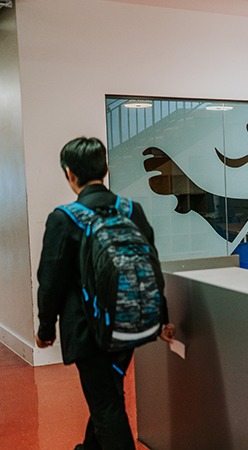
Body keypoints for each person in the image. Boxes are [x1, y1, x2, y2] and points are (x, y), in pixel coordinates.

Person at [36, 137, 175, 450]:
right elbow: (151, 266)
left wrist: (46, 328)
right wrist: (162, 317)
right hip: (131, 323)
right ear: (106, 168)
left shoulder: (64, 219)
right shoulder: (131, 210)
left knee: (106, 405)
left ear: (70, 173)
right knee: (107, 393)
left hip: (88, 332)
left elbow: (51, 280)